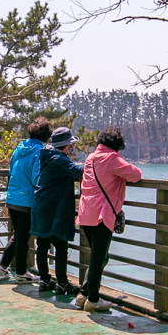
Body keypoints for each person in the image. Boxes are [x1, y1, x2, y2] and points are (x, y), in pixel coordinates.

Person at [75, 127, 142, 312]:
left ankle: (84, 294)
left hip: (85, 213)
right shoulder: (111, 158)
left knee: (99, 257)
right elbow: (136, 175)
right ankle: (93, 300)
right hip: (101, 215)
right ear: (116, 146)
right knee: (98, 259)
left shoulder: (90, 158)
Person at [0, 117, 52, 283]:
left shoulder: (19, 148)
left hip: (12, 197)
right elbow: (36, 178)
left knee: (18, 235)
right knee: (22, 237)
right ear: (46, 136)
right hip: (26, 200)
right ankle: (21, 273)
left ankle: (3, 266)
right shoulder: (38, 152)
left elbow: (11, 169)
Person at [30, 127, 83, 295]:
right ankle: (62, 282)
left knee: (42, 245)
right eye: (71, 145)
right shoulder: (58, 159)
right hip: (54, 210)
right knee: (60, 245)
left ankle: (44, 280)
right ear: (66, 146)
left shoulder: (48, 156)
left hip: (43, 207)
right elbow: (79, 172)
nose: (72, 148)